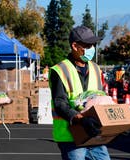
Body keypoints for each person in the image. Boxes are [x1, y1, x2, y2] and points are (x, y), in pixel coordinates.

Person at [49, 26, 111, 160]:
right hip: (71, 137)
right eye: (87, 45)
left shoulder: (95, 68)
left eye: (92, 45)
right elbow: (60, 104)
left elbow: (101, 98)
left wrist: (113, 125)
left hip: (93, 133)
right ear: (75, 46)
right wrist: (82, 120)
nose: (92, 48)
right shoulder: (60, 70)